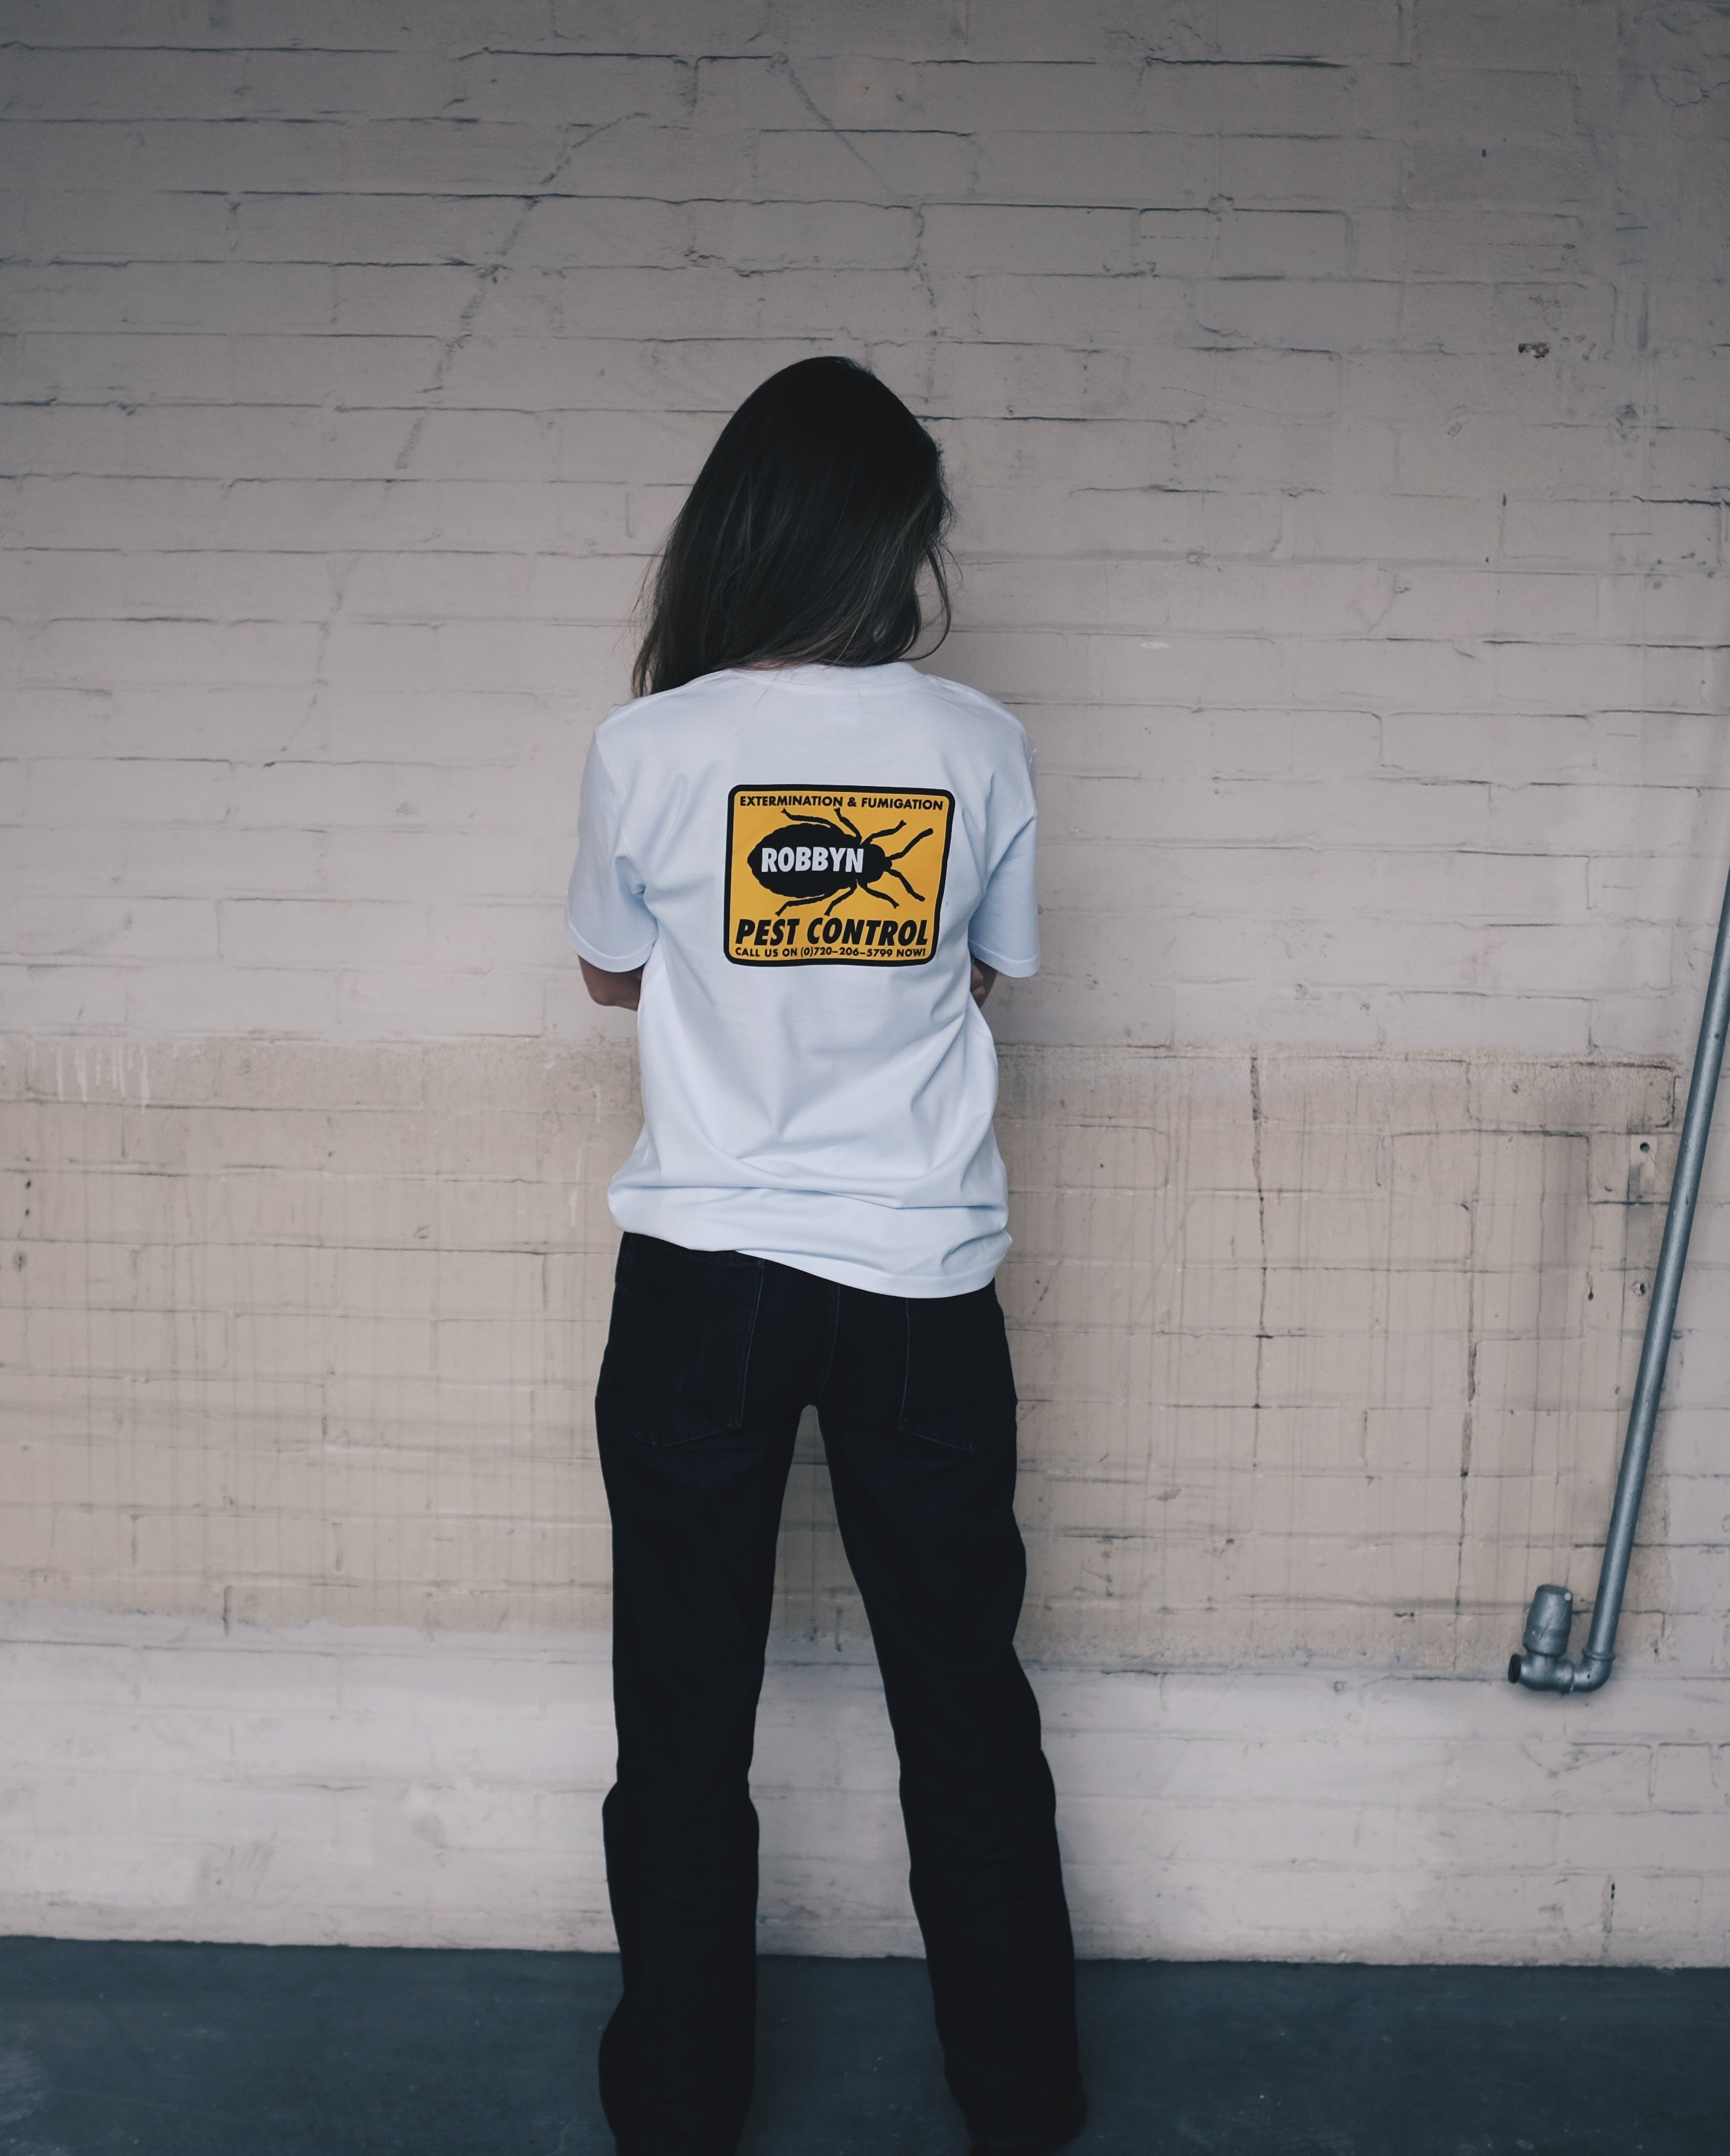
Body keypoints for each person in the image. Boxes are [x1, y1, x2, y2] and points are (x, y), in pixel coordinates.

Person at [565, 355, 1085, 2156]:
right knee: (962, 1703)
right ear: (886, 544)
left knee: (680, 1718)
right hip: (920, 1278)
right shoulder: (978, 745)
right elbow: (989, 970)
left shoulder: (649, 747)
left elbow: (611, 975)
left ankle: (676, 2113)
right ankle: (1023, 2104)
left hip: (702, 1275)